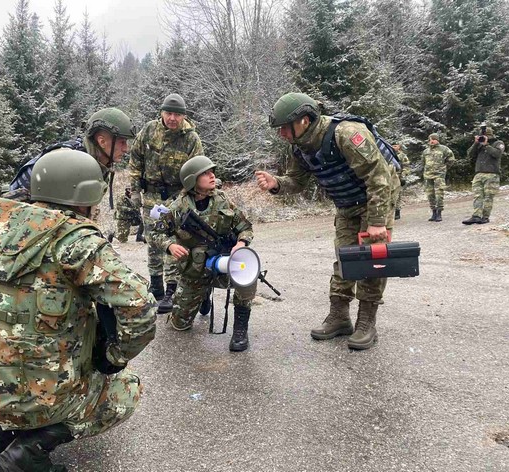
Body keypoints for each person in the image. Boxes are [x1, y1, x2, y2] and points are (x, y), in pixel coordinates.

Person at [0, 148, 157, 472]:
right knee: (125, 389)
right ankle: (28, 451)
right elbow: (141, 306)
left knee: (14, 339)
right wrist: (114, 357)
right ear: (84, 196)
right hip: (23, 397)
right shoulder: (76, 239)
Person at [255, 92, 400, 350]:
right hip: (346, 203)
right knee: (345, 256)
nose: (282, 134)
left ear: (304, 120)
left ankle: (366, 321)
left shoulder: (345, 134)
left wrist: (377, 221)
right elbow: (297, 181)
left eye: (284, 128)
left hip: (376, 198)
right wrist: (277, 183)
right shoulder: (299, 148)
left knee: (372, 259)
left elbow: (379, 177)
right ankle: (339, 316)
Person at [151, 155, 256, 351]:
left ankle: (240, 329)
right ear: (192, 180)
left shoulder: (223, 201)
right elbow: (155, 232)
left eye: (212, 171)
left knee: (248, 275)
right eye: (205, 173)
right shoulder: (178, 207)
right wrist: (170, 246)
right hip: (194, 271)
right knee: (179, 325)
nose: (212, 175)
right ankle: (202, 295)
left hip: (223, 266)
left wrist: (241, 243)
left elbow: (246, 226)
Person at [129, 93, 204, 314]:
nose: (172, 118)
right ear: (161, 113)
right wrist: (135, 191)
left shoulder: (191, 139)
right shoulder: (149, 131)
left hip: (177, 195)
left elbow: (198, 170)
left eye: (177, 114)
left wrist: (186, 198)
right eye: (169, 113)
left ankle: (172, 289)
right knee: (153, 240)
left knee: (173, 240)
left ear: (183, 116)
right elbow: (135, 161)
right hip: (151, 195)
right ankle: (156, 287)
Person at [6, 108, 137, 218]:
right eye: (122, 142)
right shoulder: (67, 161)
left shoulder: (97, 162)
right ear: (102, 141)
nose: (126, 149)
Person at [462, 127, 505, 225]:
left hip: (492, 174)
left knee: (488, 196)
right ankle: (476, 216)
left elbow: (497, 154)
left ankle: (485, 217)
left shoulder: (498, 143)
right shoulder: (479, 145)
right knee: (477, 195)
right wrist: (476, 143)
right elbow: (470, 154)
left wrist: (487, 145)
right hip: (479, 173)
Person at [421, 133, 455, 222]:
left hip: (439, 175)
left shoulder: (444, 149)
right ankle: (434, 212)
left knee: (439, 194)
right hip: (428, 175)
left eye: (434, 139)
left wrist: (444, 168)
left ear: (437, 140)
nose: (432, 141)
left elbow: (451, 159)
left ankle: (439, 213)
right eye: (430, 139)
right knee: (430, 194)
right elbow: (423, 163)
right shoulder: (426, 151)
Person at [392, 143, 410, 220]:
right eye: (392, 146)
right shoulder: (389, 154)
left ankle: (397, 211)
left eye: (395, 146)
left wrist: (403, 177)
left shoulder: (402, 156)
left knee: (398, 196)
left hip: (398, 178)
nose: (393, 147)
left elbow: (406, 167)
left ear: (399, 147)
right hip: (390, 178)